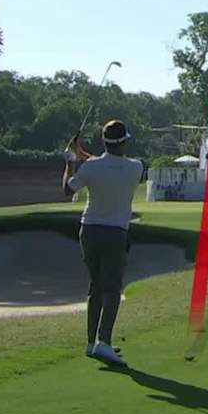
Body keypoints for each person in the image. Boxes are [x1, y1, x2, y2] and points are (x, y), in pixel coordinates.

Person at [63, 120, 146, 369]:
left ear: (104, 141)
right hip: (116, 233)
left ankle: (92, 343)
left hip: (88, 230)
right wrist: (83, 155)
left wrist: (70, 160)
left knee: (96, 287)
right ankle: (105, 342)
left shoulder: (90, 167)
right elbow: (112, 165)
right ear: (124, 142)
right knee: (112, 289)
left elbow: (68, 190)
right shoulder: (135, 167)